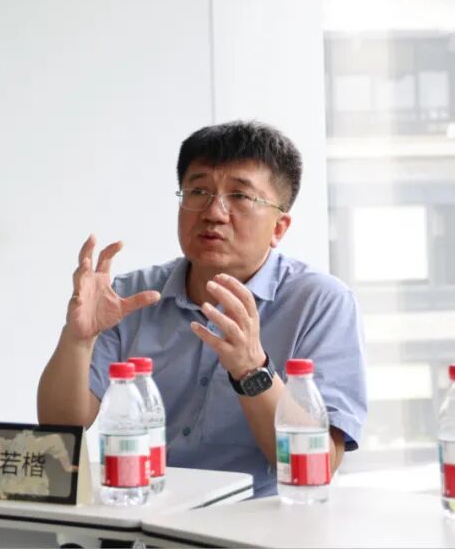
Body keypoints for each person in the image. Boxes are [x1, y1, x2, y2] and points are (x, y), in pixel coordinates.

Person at [37, 121, 366, 497]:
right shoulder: (129, 296)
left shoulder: (321, 302)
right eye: (198, 191)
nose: (214, 212)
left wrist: (251, 369)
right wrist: (77, 340)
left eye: (240, 196)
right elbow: (61, 429)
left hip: (260, 520)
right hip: (149, 509)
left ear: (279, 227)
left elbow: (319, 465)